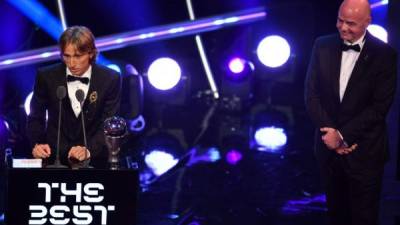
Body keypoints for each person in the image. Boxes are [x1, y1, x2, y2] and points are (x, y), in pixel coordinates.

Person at [305, 0, 398, 224]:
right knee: (335, 214)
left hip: (365, 152)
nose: (343, 27)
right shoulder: (322, 45)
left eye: (351, 23)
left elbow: (379, 107)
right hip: (328, 149)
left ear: (368, 22)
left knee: (363, 218)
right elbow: (311, 94)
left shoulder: (385, 55)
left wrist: (344, 137)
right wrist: (332, 136)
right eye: (340, 20)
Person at [27, 26, 121, 168]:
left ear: (91, 53)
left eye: (77, 56)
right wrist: (37, 144)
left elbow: (108, 123)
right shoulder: (46, 76)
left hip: (94, 159)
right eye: (66, 56)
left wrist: (89, 150)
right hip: (54, 159)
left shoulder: (110, 79)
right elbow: (35, 117)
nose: (71, 63)